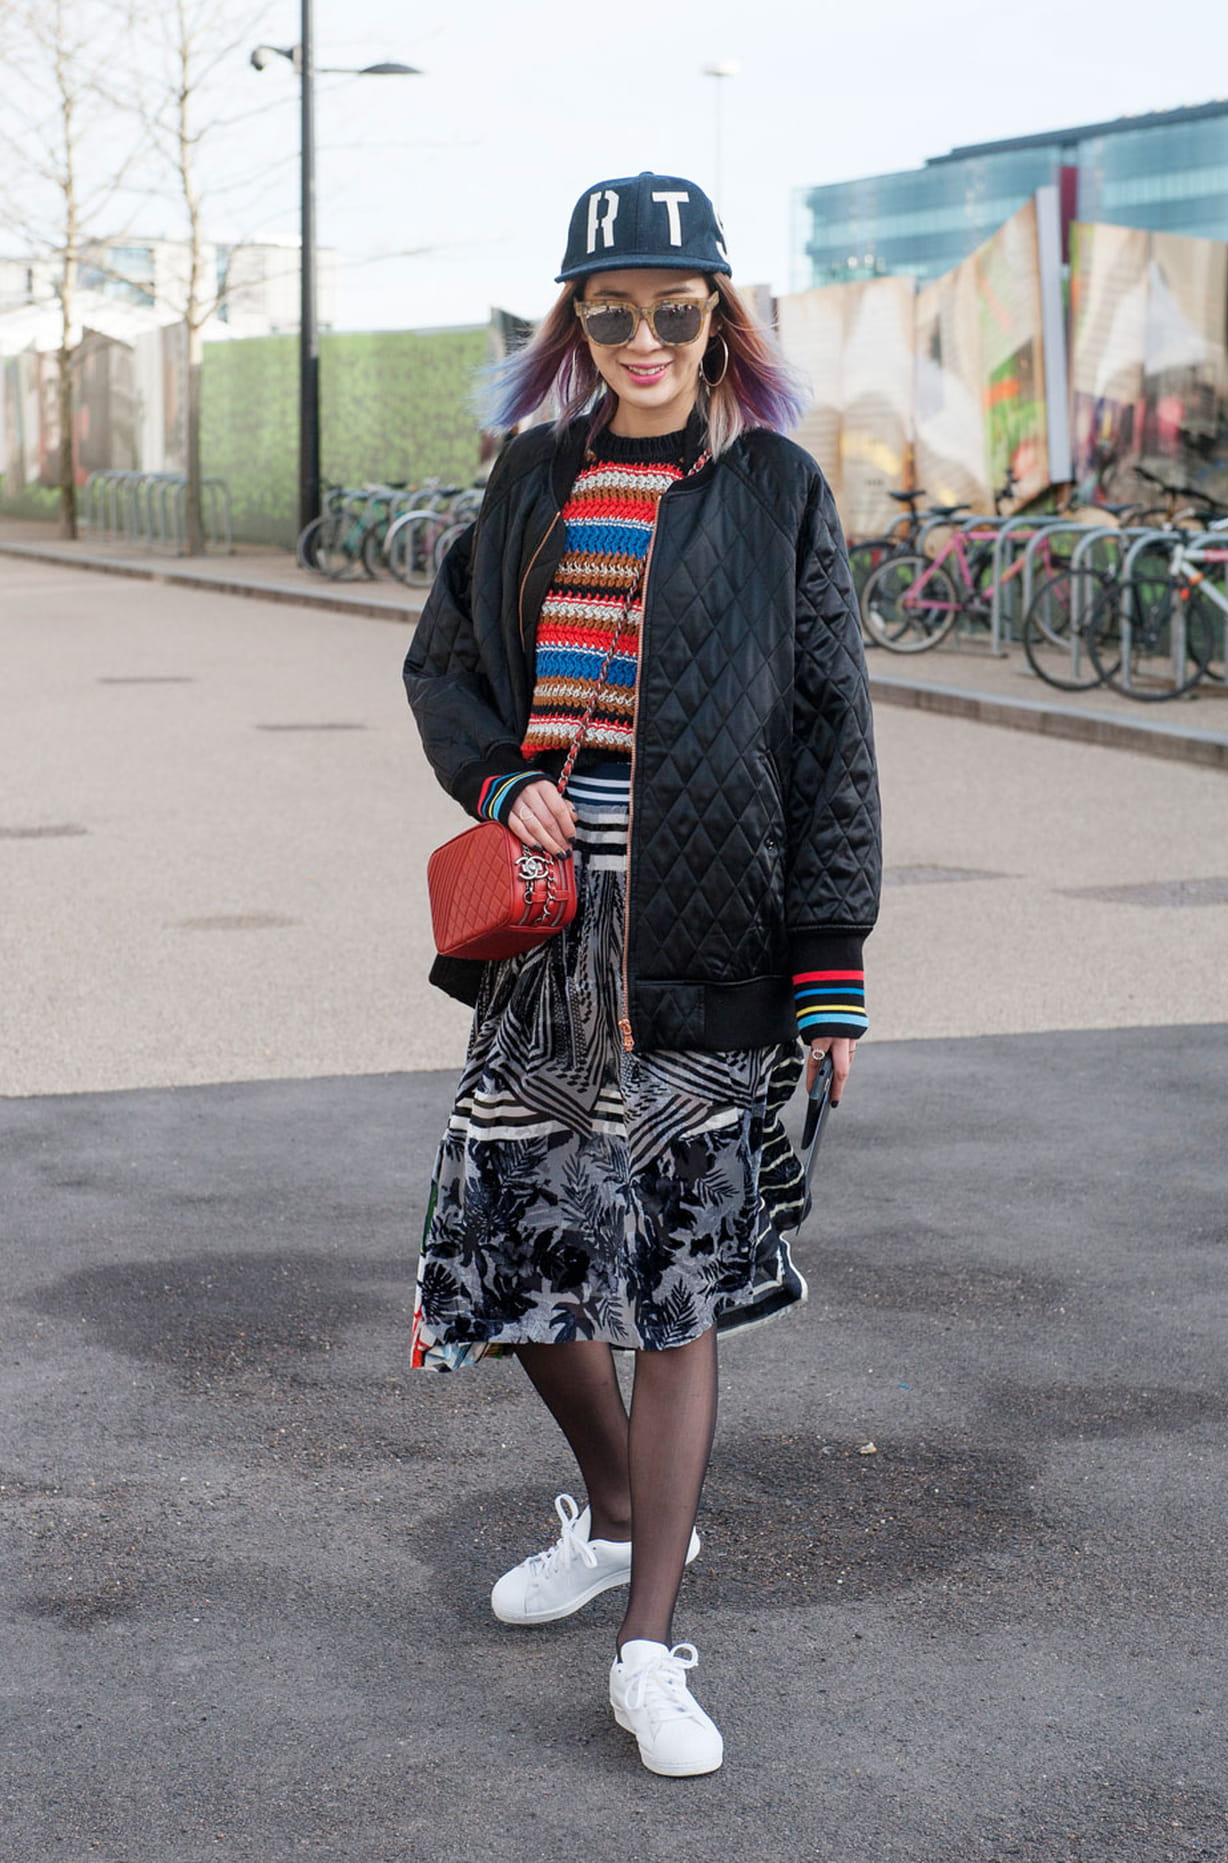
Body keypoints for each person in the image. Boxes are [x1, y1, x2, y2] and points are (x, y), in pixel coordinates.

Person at [403, 172, 881, 1778]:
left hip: (711, 938)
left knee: (674, 1291)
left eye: (677, 308)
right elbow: (445, 663)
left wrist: (829, 968)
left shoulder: (777, 491)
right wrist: (496, 782)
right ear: (577, 327)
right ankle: (613, 1519)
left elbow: (831, 740)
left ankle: (649, 1643)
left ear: (721, 319)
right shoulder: (535, 476)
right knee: (513, 1255)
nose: (646, 337)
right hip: (549, 935)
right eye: (612, 312)